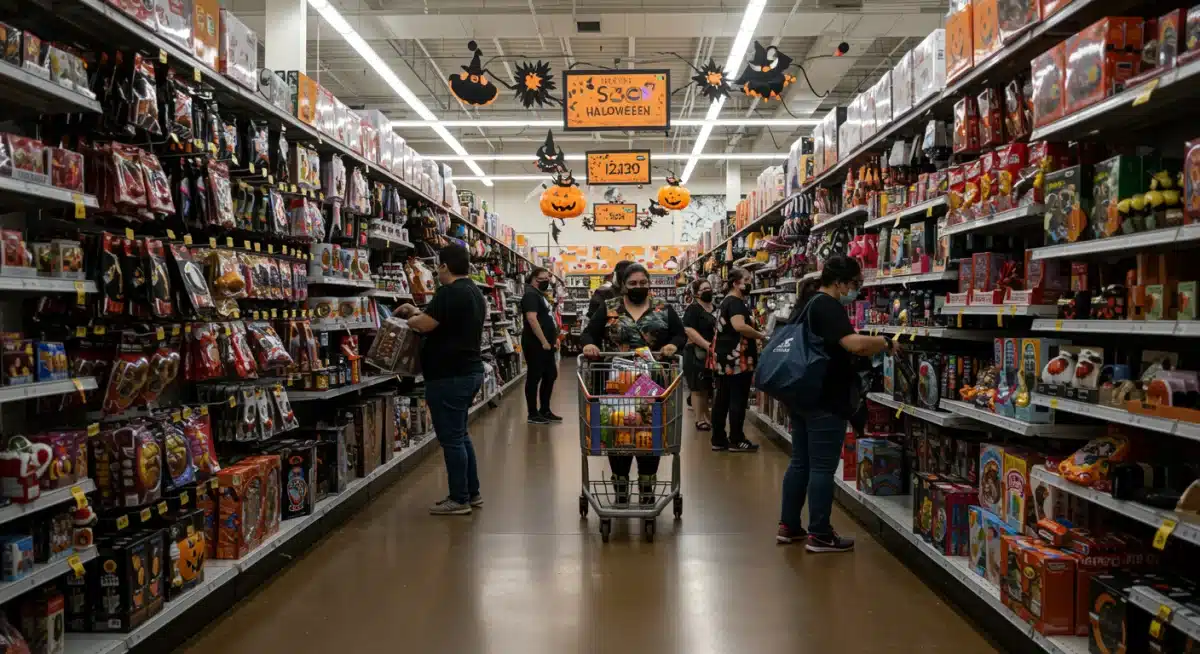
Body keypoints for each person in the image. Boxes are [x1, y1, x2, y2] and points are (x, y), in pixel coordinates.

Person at [776, 255, 894, 552]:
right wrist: (886, 343)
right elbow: (854, 344)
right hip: (825, 398)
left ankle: (788, 526)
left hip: (801, 394)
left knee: (800, 462)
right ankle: (820, 534)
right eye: (855, 284)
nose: (856, 290)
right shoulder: (828, 305)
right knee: (822, 467)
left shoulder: (807, 302)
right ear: (840, 282)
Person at [581, 263, 686, 505]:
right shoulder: (609, 307)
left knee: (651, 433)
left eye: (643, 283)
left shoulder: (663, 308)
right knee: (619, 433)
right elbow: (589, 333)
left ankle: (647, 488)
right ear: (623, 285)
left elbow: (680, 334)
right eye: (633, 283)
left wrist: (673, 345)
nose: (638, 287)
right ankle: (620, 488)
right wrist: (589, 344)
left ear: (649, 283)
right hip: (615, 384)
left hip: (655, 385)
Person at [399, 244, 487, 516]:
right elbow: (444, 321)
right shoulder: (474, 291)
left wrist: (410, 318)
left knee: (451, 440)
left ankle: (459, 499)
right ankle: (472, 492)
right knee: (460, 435)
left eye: (438, 265)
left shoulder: (449, 292)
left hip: (450, 376)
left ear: (444, 266)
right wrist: (418, 312)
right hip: (469, 371)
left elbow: (426, 324)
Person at [709, 267, 764, 453]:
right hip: (738, 359)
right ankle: (736, 439)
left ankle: (718, 439)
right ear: (735, 283)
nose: (750, 283)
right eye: (746, 280)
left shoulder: (726, 301)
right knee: (737, 400)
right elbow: (739, 326)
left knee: (722, 399)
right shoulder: (736, 303)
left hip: (724, 359)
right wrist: (761, 335)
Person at [522, 267, 561, 424]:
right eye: (542, 279)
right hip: (535, 343)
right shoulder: (530, 295)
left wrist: (554, 338)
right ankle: (532, 413)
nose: (546, 282)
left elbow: (548, 317)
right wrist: (544, 341)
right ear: (533, 279)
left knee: (550, 374)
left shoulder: (539, 294)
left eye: (547, 279)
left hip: (547, 343)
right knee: (534, 376)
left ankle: (545, 409)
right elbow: (532, 319)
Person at [682, 278, 717, 431]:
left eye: (709, 288)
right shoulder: (693, 309)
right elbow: (688, 329)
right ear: (696, 293)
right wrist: (707, 345)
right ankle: (699, 419)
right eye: (704, 289)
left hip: (711, 354)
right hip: (695, 353)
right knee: (697, 388)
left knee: (706, 388)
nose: (708, 291)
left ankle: (707, 417)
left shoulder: (715, 308)